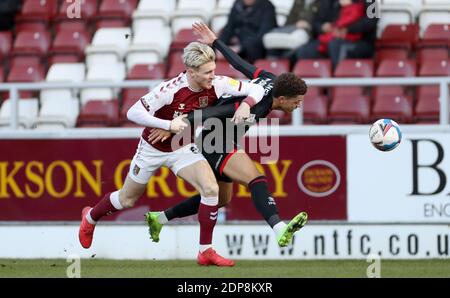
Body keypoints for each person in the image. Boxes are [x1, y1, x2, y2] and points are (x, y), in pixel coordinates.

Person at [78, 41, 266, 267]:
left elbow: (258, 88)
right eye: (207, 72)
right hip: (151, 150)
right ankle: (90, 218)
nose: (212, 75)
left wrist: (247, 104)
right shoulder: (169, 90)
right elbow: (133, 112)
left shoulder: (219, 84)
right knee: (127, 199)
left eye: (213, 69)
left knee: (211, 189)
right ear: (191, 72)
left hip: (183, 147)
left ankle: (205, 251)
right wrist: (167, 124)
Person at [145, 23, 308, 249]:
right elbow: (210, 112)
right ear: (281, 99)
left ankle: (159, 218)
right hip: (214, 140)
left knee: (221, 198)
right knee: (256, 179)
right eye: (296, 101)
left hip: (220, 139)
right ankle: (279, 227)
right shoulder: (256, 105)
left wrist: (215, 42)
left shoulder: (270, 79)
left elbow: (239, 63)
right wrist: (173, 125)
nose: (299, 105)